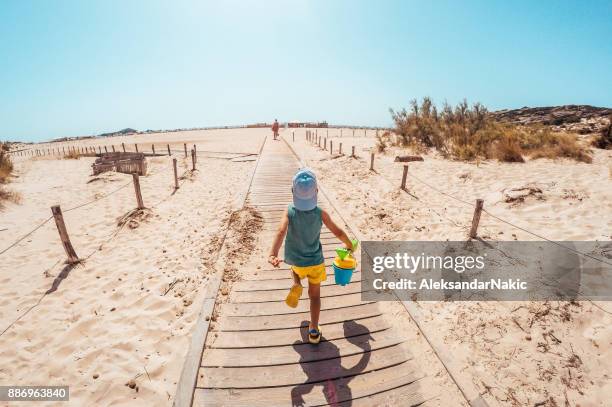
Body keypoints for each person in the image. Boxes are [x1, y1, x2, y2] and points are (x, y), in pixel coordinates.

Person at [268, 168, 353, 344]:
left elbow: (281, 230)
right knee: (315, 297)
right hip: (315, 262)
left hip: (297, 262)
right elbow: (337, 231)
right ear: (316, 191)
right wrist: (349, 244)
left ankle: (297, 283)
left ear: (293, 192)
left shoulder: (289, 211)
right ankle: (314, 330)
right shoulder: (320, 213)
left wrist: (273, 253)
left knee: (294, 270)